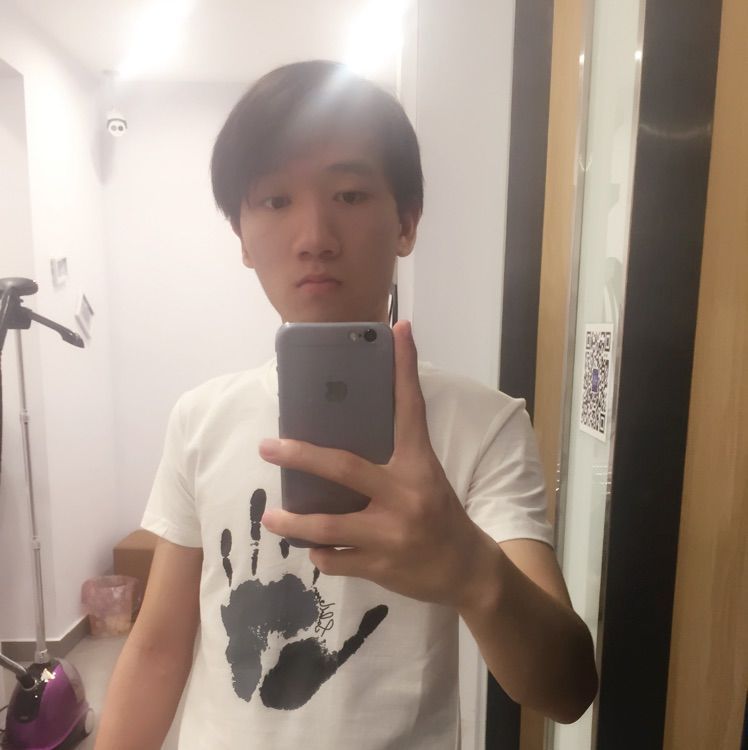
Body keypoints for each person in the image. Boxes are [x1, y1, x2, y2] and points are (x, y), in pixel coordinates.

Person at [95, 60, 597, 750]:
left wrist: (471, 571)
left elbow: (566, 690)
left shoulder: (485, 424)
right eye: (275, 200)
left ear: (406, 222)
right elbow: (157, 649)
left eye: (351, 194)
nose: (315, 237)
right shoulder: (200, 419)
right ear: (241, 238)